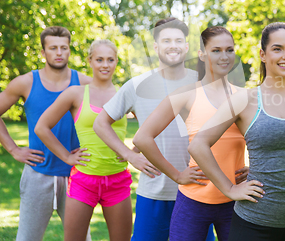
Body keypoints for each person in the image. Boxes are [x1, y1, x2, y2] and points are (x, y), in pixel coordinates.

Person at [188, 22, 285, 241]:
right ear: (263, 54)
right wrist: (230, 189)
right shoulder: (244, 100)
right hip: (253, 224)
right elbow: (198, 144)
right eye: (277, 48)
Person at [93, 18, 215, 241]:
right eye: (166, 40)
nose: (173, 45)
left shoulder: (203, 82)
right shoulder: (136, 85)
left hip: (198, 189)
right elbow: (100, 123)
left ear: (186, 46)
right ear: (156, 47)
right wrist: (130, 155)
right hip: (154, 191)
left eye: (178, 40)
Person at [134, 26, 248, 241]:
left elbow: (263, 141)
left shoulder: (245, 97)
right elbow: (142, 138)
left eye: (229, 50)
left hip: (235, 203)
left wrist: (255, 170)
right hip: (193, 202)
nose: (224, 56)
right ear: (202, 54)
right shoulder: (186, 94)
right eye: (216, 50)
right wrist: (177, 175)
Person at [35, 39, 134, 241]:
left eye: (110, 60)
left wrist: (135, 151)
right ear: (90, 61)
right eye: (99, 59)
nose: (105, 65)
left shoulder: (125, 95)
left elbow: (152, 126)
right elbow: (41, 127)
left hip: (118, 180)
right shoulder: (76, 93)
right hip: (84, 181)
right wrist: (67, 157)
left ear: (116, 62)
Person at [0, 26, 92, 241]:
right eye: (53, 48)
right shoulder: (25, 82)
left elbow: (110, 119)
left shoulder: (86, 83)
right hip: (37, 174)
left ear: (70, 50)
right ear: (43, 52)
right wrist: (13, 149)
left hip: (76, 175)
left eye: (64, 48)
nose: (59, 53)